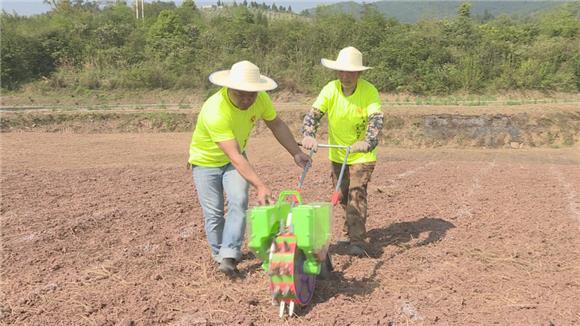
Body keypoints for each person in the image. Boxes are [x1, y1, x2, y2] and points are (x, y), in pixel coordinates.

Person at [189, 60, 310, 274]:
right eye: (240, 93)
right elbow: (234, 155)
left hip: (234, 158)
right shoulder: (215, 110)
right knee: (214, 212)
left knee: (239, 200)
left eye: (251, 94)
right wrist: (260, 185)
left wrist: (296, 152)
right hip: (205, 162)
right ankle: (219, 254)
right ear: (229, 88)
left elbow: (276, 124)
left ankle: (229, 255)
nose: (247, 99)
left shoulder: (261, 99)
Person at [301, 46, 384, 257]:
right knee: (343, 194)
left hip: (362, 154)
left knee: (356, 192)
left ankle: (357, 240)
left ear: (359, 73)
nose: (346, 76)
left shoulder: (369, 91)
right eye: (342, 71)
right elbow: (313, 115)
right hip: (338, 153)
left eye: (351, 72)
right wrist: (309, 135)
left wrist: (368, 141)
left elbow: (376, 119)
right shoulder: (330, 89)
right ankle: (349, 232)